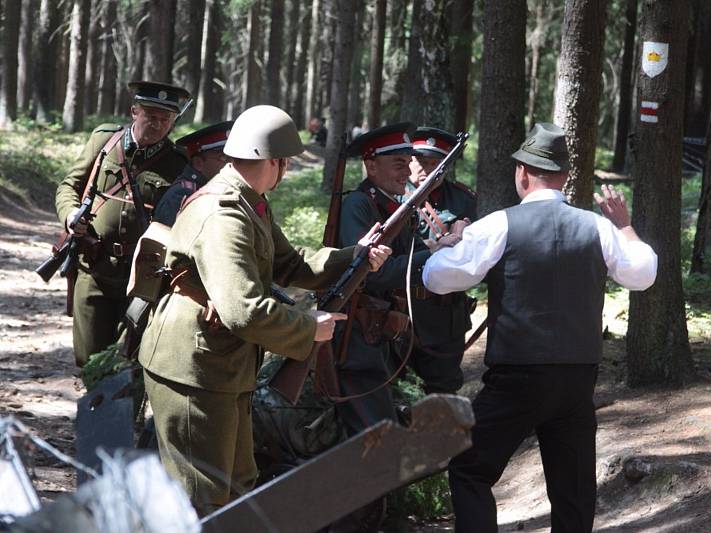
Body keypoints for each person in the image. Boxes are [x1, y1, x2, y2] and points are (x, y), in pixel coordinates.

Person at [138, 105, 391, 516]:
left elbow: (289, 264)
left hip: (222, 363)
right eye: (285, 163)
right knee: (198, 497)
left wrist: (354, 257)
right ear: (275, 161)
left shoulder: (249, 202)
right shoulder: (224, 215)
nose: (286, 170)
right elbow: (243, 310)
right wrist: (308, 328)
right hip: (194, 368)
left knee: (236, 487)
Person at [422, 123, 658, 533]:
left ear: (522, 173)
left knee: (469, 469)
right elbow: (642, 274)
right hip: (577, 380)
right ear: (565, 176)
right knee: (574, 491)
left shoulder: (499, 224)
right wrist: (624, 226)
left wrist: (448, 248)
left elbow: (438, 278)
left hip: (517, 376)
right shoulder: (598, 226)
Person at [328, 123, 456, 532]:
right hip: (358, 342)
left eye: (408, 162)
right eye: (397, 162)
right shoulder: (359, 206)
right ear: (370, 165)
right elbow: (368, 272)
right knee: (372, 441)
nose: (407, 169)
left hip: (383, 338)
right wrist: (431, 257)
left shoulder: (399, 204)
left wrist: (440, 247)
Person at [54, 81, 190, 366]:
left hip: (143, 274)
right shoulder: (105, 141)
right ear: (134, 111)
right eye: (151, 116)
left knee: (132, 357)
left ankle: (121, 411)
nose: (157, 125)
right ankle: (94, 408)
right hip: (95, 265)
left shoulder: (179, 163)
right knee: (89, 357)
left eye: (166, 119)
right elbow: (69, 185)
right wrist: (70, 215)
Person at [404, 127, 477, 394]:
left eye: (435, 163)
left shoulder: (462, 199)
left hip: (445, 313)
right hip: (400, 310)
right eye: (420, 161)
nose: (426, 169)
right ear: (409, 161)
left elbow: (475, 253)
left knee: (443, 390)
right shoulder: (392, 197)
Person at [153, 121, 233, 226]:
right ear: (198, 163)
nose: (231, 163)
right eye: (223, 157)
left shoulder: (216, 188)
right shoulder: (182, 195)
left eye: (232, 158)